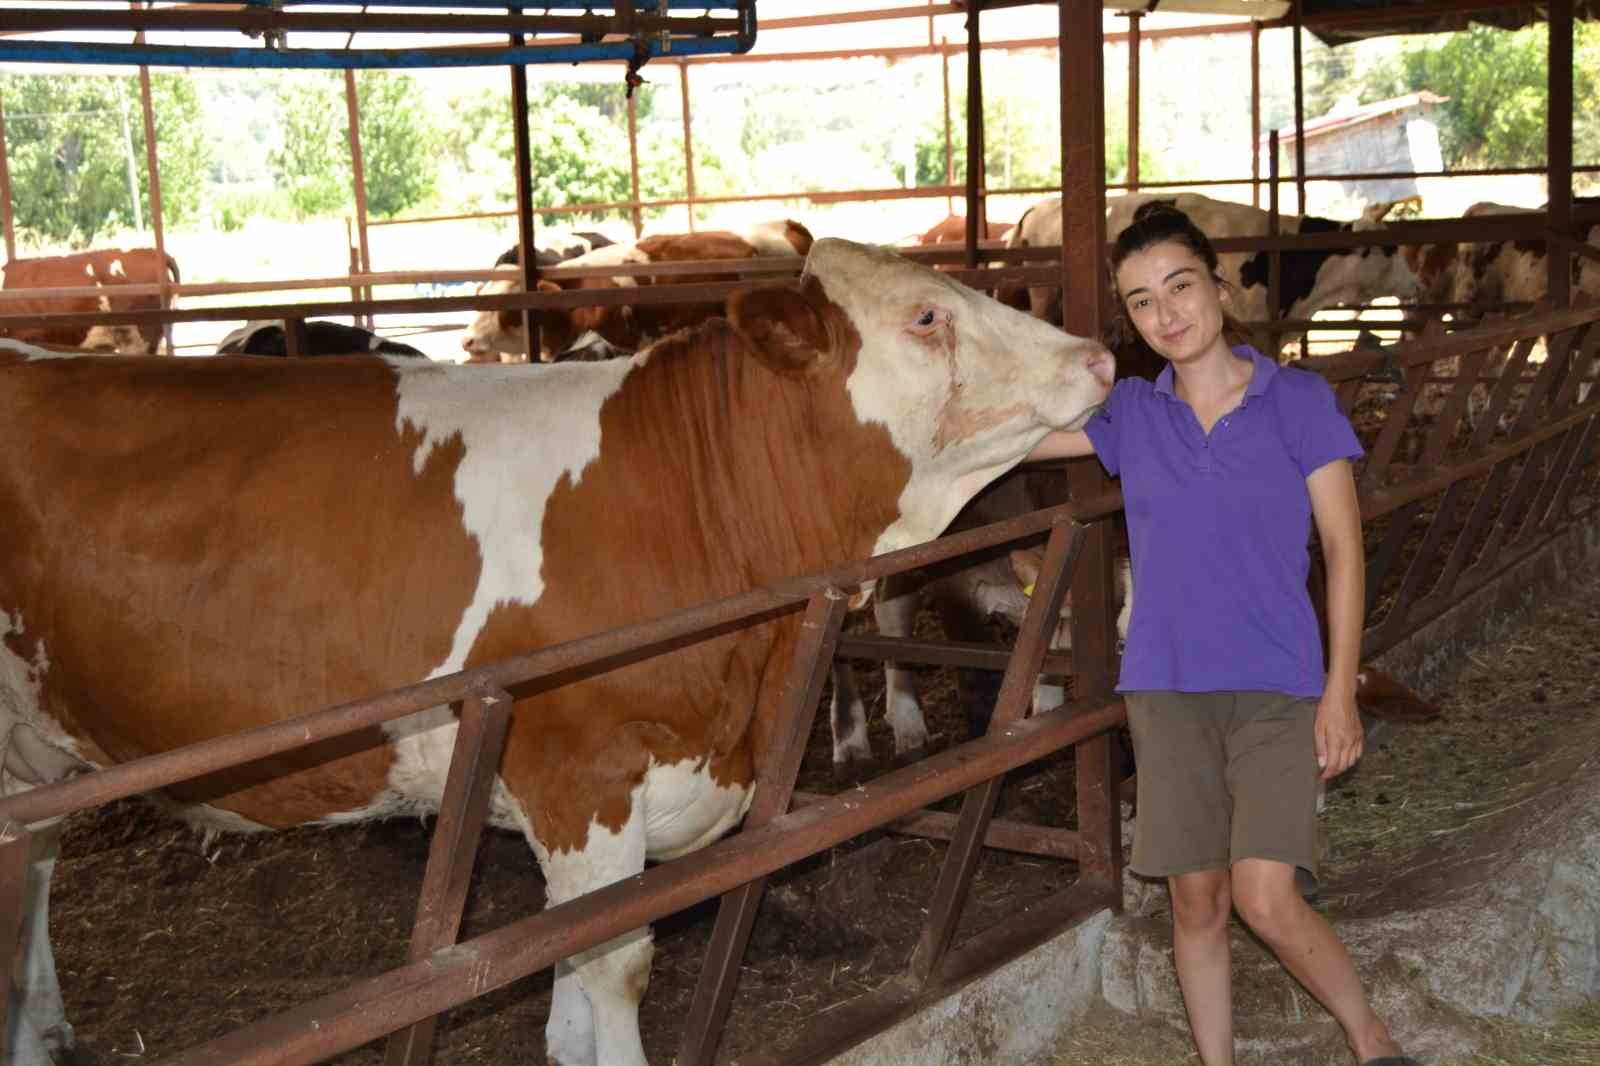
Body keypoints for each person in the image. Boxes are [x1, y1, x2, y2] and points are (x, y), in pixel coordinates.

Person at [1026, 202, 1418, 1066]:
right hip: (1165, 690)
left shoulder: (1297, 401)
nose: (1166, 314)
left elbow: (1346, 556)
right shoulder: (1131, 412)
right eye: (1139, 302)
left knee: (1265, 896)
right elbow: (1013, 442)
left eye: (1179, 286)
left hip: (1279, 686)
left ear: (1219, 284)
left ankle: (1372, 1038)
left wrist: (1339, 690)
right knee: (1195, 903)